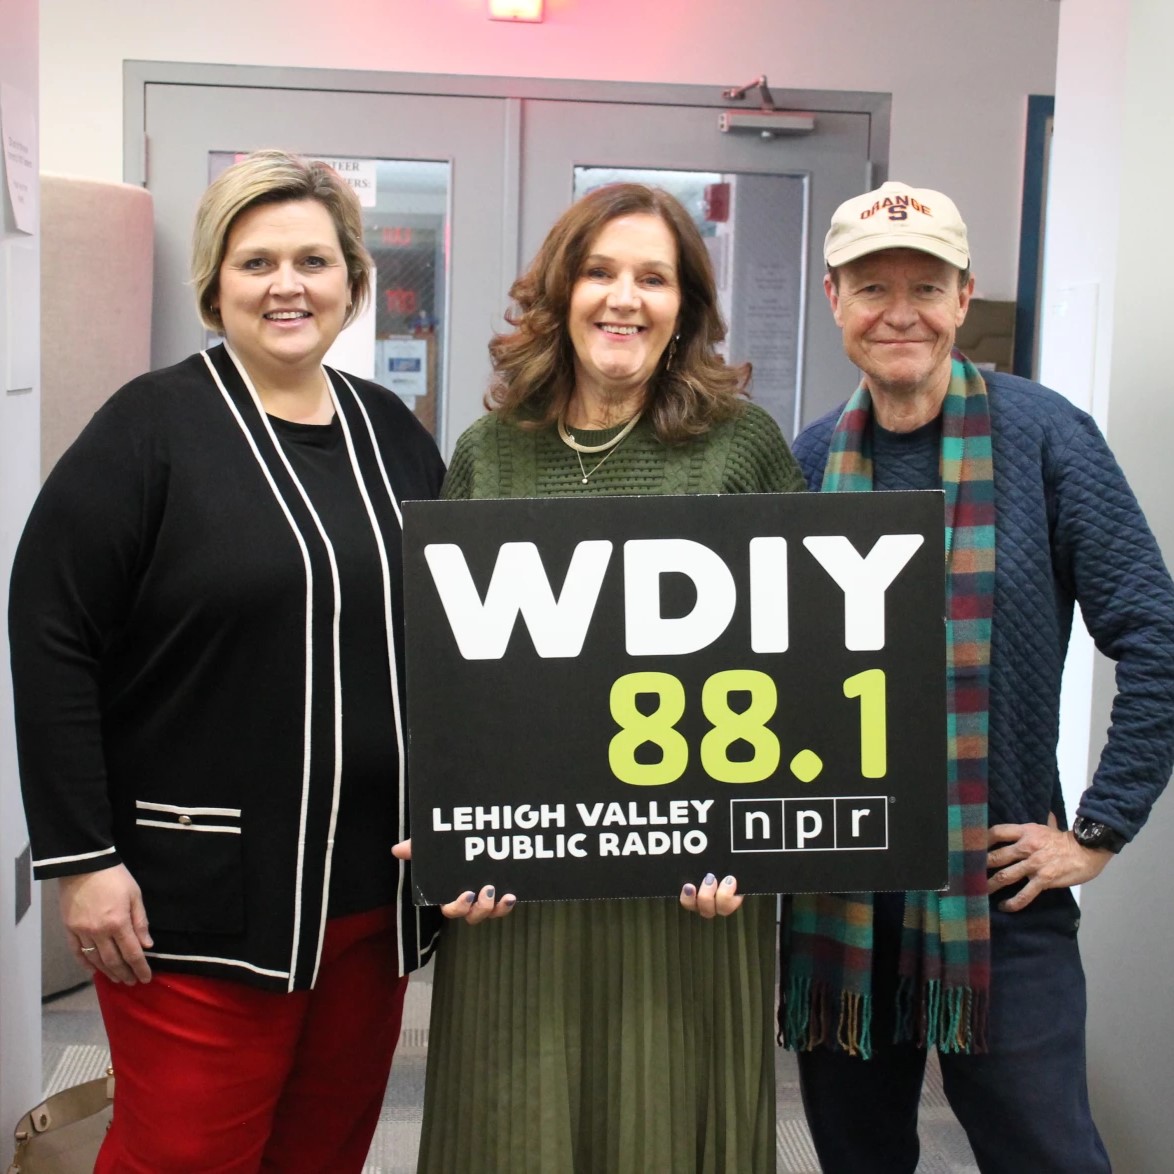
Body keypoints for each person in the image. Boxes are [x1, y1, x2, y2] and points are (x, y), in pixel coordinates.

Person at [8, 149, 445, 1173]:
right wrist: (80, 858)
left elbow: (443, 635)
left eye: (313, 259)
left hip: (366, 897)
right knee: (187, 1155)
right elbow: (52, 632)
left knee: (323, 1148)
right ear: (213, 286)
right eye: (256, 262)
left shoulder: (391, 433)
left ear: (351, 281)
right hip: (192, 895)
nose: (287, 285)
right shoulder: (149, 429)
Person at [779, 180, 1174, 1173]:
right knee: (857, 1158)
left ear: (964, 296)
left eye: (926, 285)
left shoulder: (1043, 436)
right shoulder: (809, 460)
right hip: (844, 895)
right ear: (834, 299)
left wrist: (1097, 829)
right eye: (873, 287)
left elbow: (1156, 631)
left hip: (999, 892)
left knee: (1048, 1154)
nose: (899, 311)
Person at [410, 182, 805, 1173]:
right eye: (599, 271)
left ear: (685, 307)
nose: (623, 297)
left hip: (688, 891)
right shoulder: (489, 453)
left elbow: (799, 670)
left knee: (663, 1124)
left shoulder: (740, 448)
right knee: (513, 1127)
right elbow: (444, 680)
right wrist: (448, 838)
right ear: (558, 291)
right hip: (519, 896)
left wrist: (757, 849)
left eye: (653, 277)